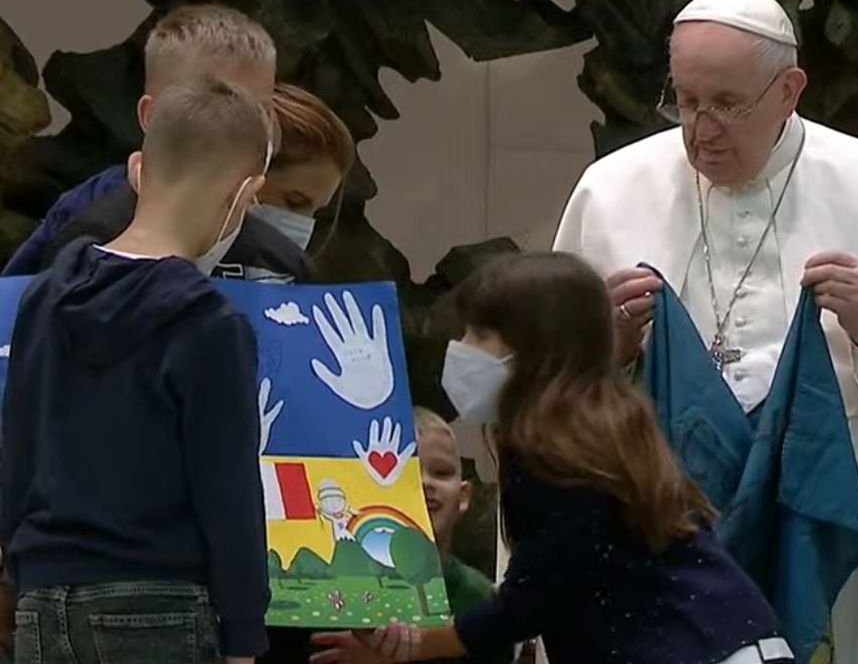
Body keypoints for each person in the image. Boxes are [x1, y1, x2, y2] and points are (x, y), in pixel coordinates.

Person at [551, 0, 858, 664]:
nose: (701, 131)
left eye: (728, 105)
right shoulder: (612, 190)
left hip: (846, 516)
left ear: (789, 90)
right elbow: (546, 382)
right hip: (667, 516)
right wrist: (608, 346)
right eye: (685, 101)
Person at [308, 253, 792, 664]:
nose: (461, 350)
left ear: (535, 352)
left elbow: (532, 600)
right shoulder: (605, 427)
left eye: (480, 335)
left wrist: (414, 646)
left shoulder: (551, 457)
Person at [0, 76, 273, 663]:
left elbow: (16, 454)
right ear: (243, 192)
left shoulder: (42, 299)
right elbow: (226, 490)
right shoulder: (211, 324)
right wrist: (245, 634)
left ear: (136, 168)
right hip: (159, 600)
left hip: (43, 595)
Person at [3, 3, 277, 277]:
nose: (243, 129)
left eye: (260, 112)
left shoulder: (276, 254)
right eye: (213, 108)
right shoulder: (87, 221)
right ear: (151, 114)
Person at [37, 83, 352, 282]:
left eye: (316, 213)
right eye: (294, 201)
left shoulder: (285, 264)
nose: (301, 225)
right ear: (244, 175)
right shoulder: (100, 234)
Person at [413, 407, 512, 664]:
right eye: (408, 473)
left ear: (464, 495)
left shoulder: (480, 599)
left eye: (441, 473)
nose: (426, 482)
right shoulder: (344, 594)